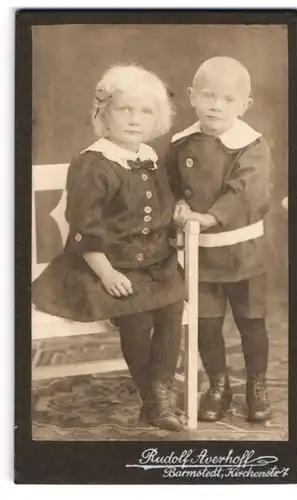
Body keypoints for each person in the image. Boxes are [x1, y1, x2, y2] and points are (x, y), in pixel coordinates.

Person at [32, 64, 186, 432]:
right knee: (137, 315)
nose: (135, 120)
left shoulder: (148, 157)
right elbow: (85, 230)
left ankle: (159, 393)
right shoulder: (93, 164)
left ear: (157, 119)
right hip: (100, 264)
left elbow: (161, 207)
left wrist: (178, 209)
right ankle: (154, 400)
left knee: (170, 310)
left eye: (145, 111)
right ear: (104, 114)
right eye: (125, 109)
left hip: (153, 262)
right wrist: (107, 272)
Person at [167, 56, 272, 423]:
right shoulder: (181, 144)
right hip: (201, 254)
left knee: (251, 323)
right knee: (206, 325)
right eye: (209, 96)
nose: (216, 105)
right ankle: (218, 385)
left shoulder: (251, 145)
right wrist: (178, 203)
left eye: (228, 99)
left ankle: (256, 385)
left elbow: (246, 192)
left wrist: (210, 216)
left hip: (244, 252)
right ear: (193, 97)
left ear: (245, 105)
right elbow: (171, 186)